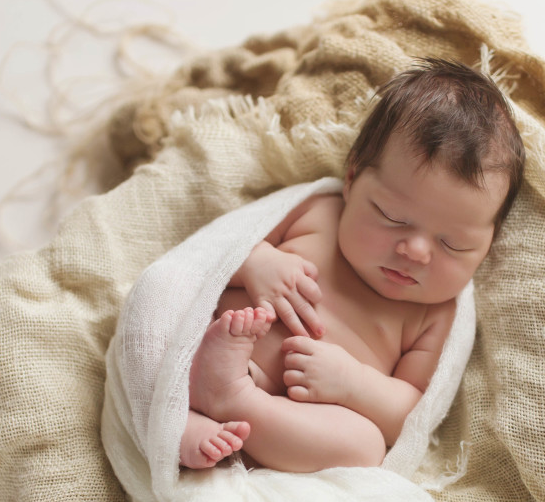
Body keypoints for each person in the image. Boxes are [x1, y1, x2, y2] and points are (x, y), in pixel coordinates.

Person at [179, 58, 525, 471]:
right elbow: (206, 257)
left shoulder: (436, 313)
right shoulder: (317, 213)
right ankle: (182, 411)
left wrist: (354, 385)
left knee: (364, 447)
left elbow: (411, 413)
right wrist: (256, 262)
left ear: (488, 245)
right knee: (179, 324)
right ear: (353, 178)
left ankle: (230, 402)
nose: (415, 251)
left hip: (292, 424)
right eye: (392, 217)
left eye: (454, 244)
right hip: (204, 348)